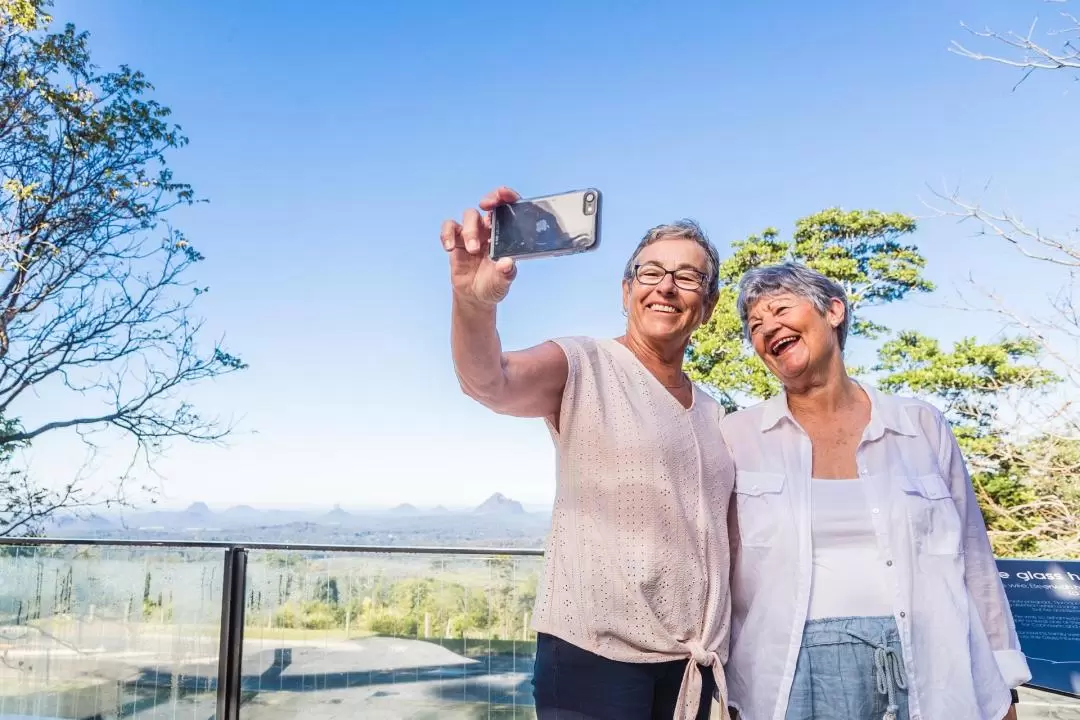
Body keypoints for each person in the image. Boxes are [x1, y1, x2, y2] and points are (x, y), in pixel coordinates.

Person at [440, 186, 734, 720]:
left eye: (687, 277)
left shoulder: (714, 414)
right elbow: (490, 380)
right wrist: (473, 302)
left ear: (707, 307)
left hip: (694, 669)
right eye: (650, 272)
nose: (666, 286)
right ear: (626, 292)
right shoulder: (584, 364)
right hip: (595, 659)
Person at [720, 262, 1030, 720]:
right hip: (786, 679)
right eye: (755, 326)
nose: (767, 328)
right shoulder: (737, 436)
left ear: (834, 311)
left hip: (933, 667)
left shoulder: (920, 425)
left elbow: (975, 560)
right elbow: (717, 573)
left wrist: (1003, 682)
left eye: (781, 309)